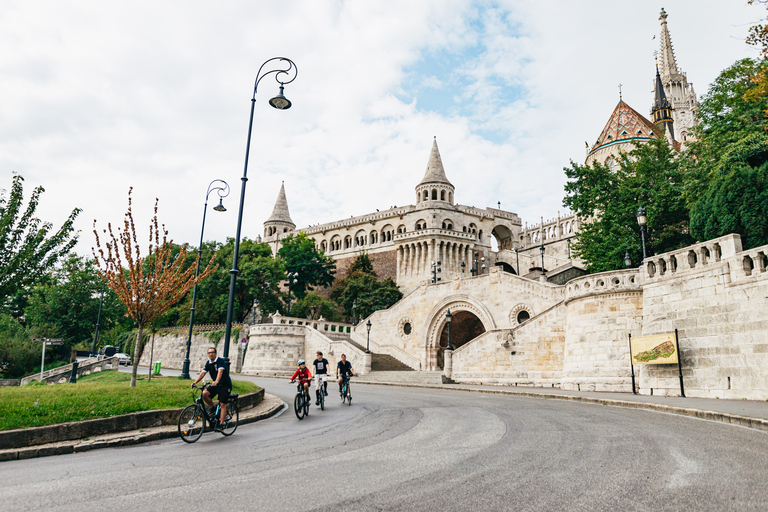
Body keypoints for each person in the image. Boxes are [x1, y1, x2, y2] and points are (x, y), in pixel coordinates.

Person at [191, 346, 231, 431]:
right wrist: (195, 382)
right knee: (204, 394)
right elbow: (203, 373)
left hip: (224, 385)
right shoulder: (208, 363)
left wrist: (216, 381)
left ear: (216, 353)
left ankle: (221, 424)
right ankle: (213, 407)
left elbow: (220, 371)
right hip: (215, 385)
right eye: (209, 353)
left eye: (212, 352)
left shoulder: (220, 361)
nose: (211, 354)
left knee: (222, 404)